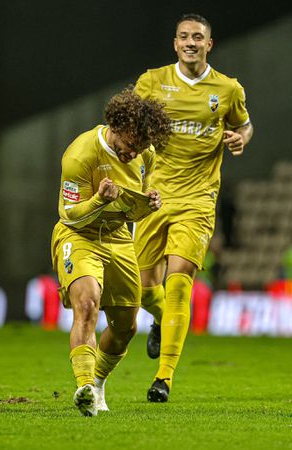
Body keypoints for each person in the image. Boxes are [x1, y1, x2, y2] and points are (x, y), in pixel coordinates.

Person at [133, 13, 254, 402]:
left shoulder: (228, 89)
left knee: (180, 280)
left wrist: (241, 138)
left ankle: (163, 378)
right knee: (144, 287)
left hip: (199, 199)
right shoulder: (151, 82)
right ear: (175, 44)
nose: (190, 42)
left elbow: (245, 125)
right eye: (184, 36)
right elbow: (127, 127)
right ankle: (157, 318)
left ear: (209, 44)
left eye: (197, 37)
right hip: (153, 196)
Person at [51, 88, 171, 416]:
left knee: (126, 329)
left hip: (118, 240)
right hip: (79, 236)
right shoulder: (80, 154)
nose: (133, 154)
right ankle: (85, 386)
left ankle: (98, 384)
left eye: (141, 148)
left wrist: (148, 206)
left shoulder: (145, 156)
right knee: (87, 306)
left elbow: (129, 211)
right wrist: (99, 200)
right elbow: (69, 214)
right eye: (129, 146)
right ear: (115, 126)